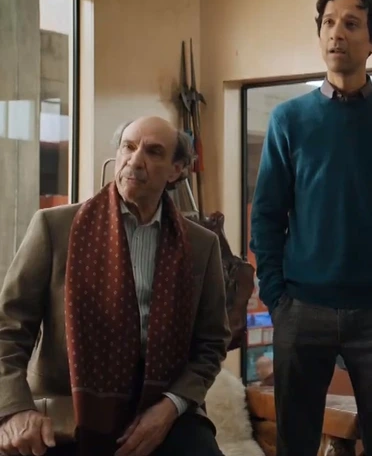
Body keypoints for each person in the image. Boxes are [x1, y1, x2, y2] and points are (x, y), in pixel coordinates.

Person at [250, 0, 372, 456]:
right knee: (295, 442)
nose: (337, 33)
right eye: (328, 22)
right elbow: (267, 215)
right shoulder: (288, 120)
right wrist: (276, 296)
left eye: (351, 23)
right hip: (301, 309)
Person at [0, 116, 230, 456]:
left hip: (162, 405)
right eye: (128, 147)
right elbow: (8, 328)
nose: (135, 161)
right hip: (67, 403)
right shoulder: (55, 227)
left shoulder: (200, 245)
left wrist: (171, 406)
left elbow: (211, 343)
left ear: (176, 170)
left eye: (153, 152)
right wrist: (14, 409)